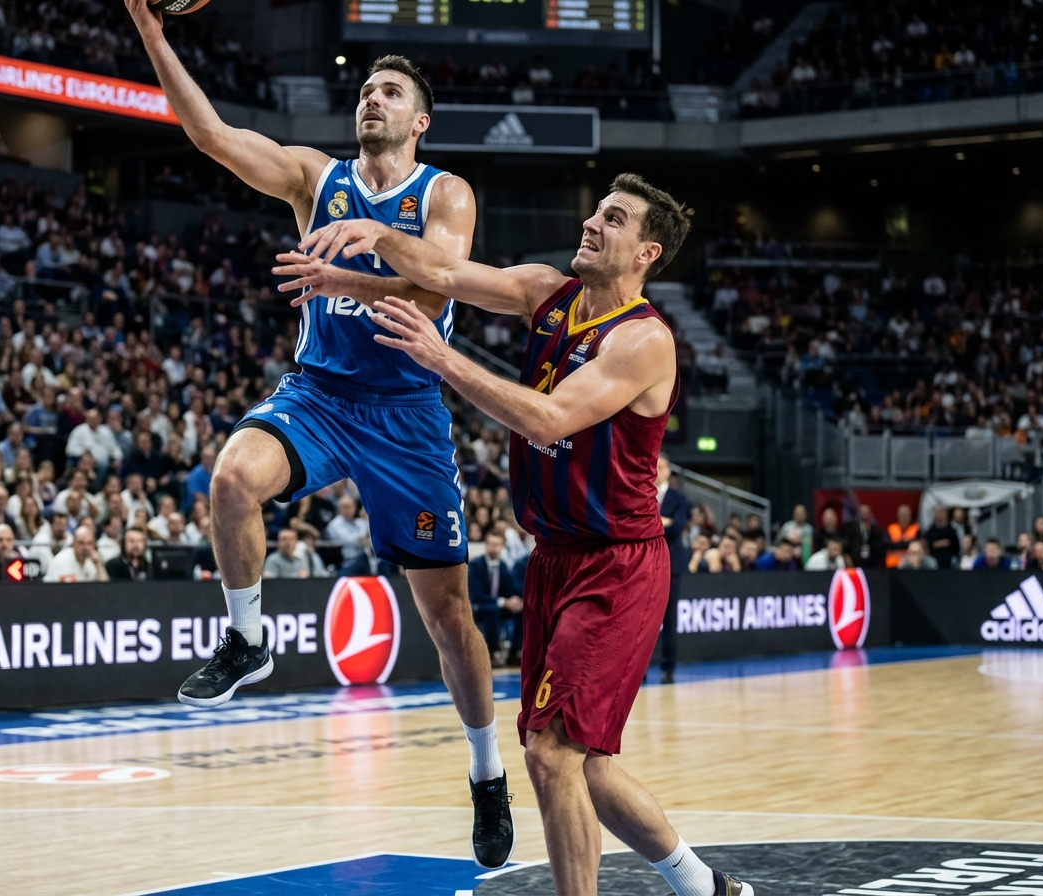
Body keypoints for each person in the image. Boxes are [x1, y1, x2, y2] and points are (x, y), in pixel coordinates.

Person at [297, 174, 751, 894]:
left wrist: (442, 359)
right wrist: (366, 251)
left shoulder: (643, 342)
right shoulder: (547, 291)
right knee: (586, 766)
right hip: (553, 560)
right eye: (596, 210)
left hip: (615, 567)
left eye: (614, 219)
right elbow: (445, 272)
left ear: (646, 252)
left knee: (549, 756)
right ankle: (708, 889)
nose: (593, 224)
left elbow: (547, 419)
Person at [124, 16, 506, 856]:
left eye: (391, 92)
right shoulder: (315, 177)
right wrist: (150, 28)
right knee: (231, 478)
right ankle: (247, 640)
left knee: (448, 622)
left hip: (407, 412)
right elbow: (211, 135)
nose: (373, 98)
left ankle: (486, 770)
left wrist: (353, 262)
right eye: (367, 89)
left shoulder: (445, 193)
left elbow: (437, 292)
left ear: (419, 122)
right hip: (322, 395)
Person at [654, 454, 689, 684]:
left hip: (672, 564)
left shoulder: (679, 498)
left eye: (660, 466)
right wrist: (661, 521)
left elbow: (677, 526)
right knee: (639, 621)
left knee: (669, 620)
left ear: (668, 470)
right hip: (644, 564)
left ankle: (668, 669)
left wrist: (653, 522)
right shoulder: (639, 493)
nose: (656, 470)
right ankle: (638, 670)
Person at [467, 530, 523, 667]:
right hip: (478, 606)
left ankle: (515, 652)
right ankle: (492, 653)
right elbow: (476, 595)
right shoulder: (475, 565)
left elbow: (510, 589)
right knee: (492, 610)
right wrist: (503, 602)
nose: (494, 548)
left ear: (503, 546)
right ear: (486, 545)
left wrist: (516, 600)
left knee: (521, 610)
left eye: (497, 544)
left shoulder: (503, 566)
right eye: (491, 544)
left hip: (497, 606)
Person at [44, 524, 109, 582]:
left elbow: (104, 587)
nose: (86, 548)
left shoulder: (92, 561)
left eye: (89, 543)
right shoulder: (62, 560)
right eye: (81, 543)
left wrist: (98, 565)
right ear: (74, 544)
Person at [843, 503, 886, 568]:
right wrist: (847, 556)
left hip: (871, 566)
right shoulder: (852, 529)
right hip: (854, 564)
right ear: (859, 514)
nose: (864, 515)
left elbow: (879, 549)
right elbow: (847, 545)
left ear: (870, 515)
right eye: (862, 513)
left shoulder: (876, 531)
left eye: (866, 513)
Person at [885, 504, 919, 568]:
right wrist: (908, 543)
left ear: (910, 516)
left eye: (906, 515)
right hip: (893, 566)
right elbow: (888, 545)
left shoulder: (916, 529)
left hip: (910, 565)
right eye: (902, 515)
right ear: (898, 516)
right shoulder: (891, 528)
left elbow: (918, 543)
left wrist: (896, 545)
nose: (904, 518)